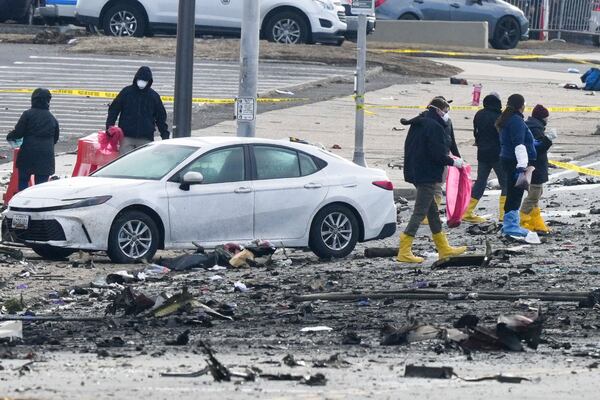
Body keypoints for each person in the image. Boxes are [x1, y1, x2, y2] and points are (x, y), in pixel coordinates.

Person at [397, 97, 467, 263]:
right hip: (427, 174)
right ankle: (404, 250)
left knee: (433, 213)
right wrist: (453, 161)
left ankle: (444, 248)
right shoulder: (434, 127)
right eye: (445, 111)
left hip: (417, 170)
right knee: (420, 212)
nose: (446, 115)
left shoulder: (420, 122)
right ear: (438, 110)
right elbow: (436, 154)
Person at [496, 94, 537, 238]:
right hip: (515, 162)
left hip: (507, 159)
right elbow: (519, 144)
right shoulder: (516, 121)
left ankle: (509, 224)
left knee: (512, 193)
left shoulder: (506, 119)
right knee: (516, 194)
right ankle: (511, 226)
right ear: (521, 105)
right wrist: (521, 166)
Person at [106, 66, 170, 154]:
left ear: (149, 81)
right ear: (136, 79)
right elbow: (114, 110)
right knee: (125, 163)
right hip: (126, 137)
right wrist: (109, 127)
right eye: (140, 79)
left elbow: (161, 118)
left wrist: (165, 136)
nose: (142, 82)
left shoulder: (153, 96)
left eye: (144, 80)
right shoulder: (126, 92)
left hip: (145, 138)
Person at [465, 92, 507, 223]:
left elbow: (476, 132)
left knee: (480, 181)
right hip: (497, 154)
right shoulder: (499, 116)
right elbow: (502, 136)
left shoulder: (479, 114)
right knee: (505, 183)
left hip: (482, 153)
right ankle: (503, 215)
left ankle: (467, 212)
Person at [6, 88, 59, 192]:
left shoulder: (27, 115)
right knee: (40, 187)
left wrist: (10, 136)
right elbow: (55, 138)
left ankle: (23, 205)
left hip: (28, 154)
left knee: (23, 182)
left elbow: (18, 133)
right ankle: (37, 206)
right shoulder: (52, 118)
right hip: (46, 157)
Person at [521, 104, 554, 233]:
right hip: (536, 168)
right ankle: (522, 221)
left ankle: (535, 222)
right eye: (546, 117)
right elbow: (538, 148)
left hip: (535, 167)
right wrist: (548, 139)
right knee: (533, 195)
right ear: (542, 117)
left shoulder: (533, 126)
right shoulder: (535, 129)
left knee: (537, 194)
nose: (547, 120)